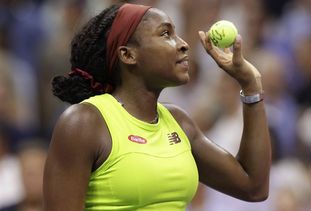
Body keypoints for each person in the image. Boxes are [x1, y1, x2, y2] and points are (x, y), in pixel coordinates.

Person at [43, 3, 271, 211]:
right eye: (165, 34)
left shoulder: (178, 121)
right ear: (128, 54)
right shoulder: (85, 122)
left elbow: (254, 187)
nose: (183, 45)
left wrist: (251, 85)